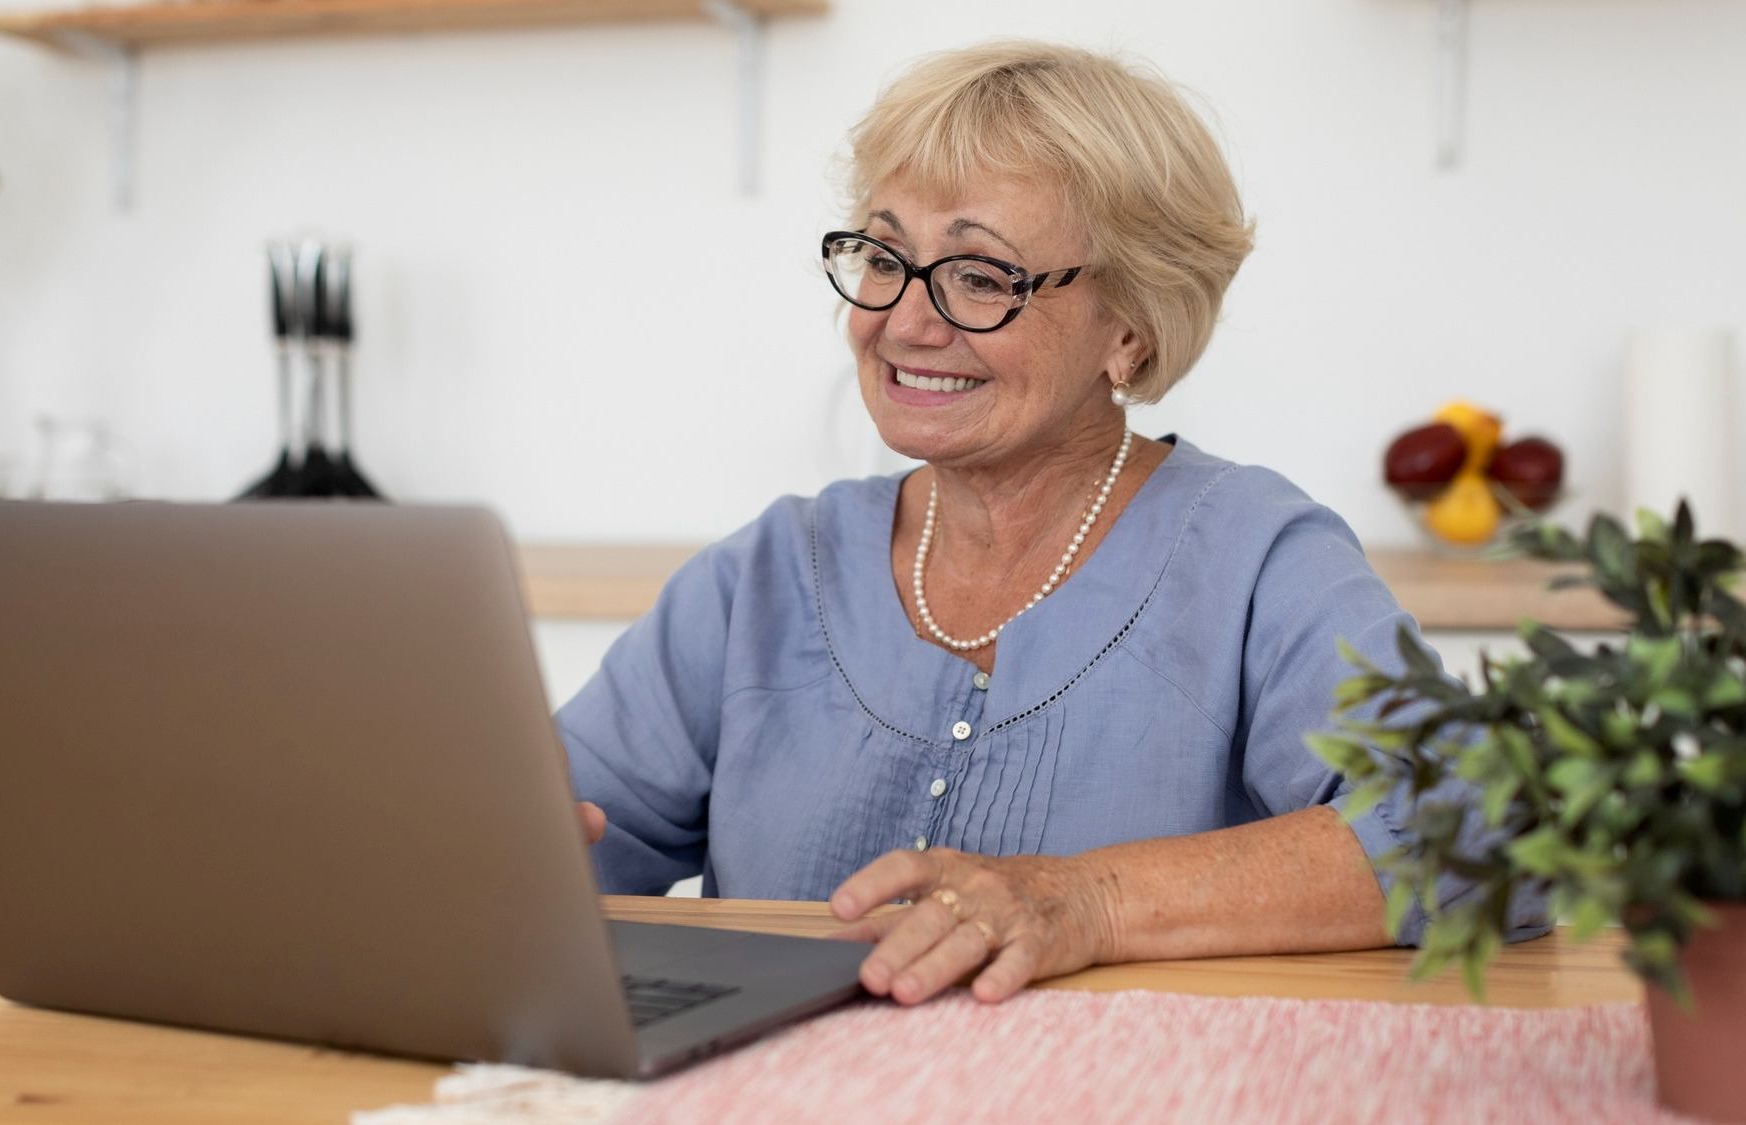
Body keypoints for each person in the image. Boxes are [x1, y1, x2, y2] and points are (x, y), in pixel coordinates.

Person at [558, 40, 1545, 1008]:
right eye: (882, 255)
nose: (904, 322)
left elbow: (1474, 836)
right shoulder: (765, 575)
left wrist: (1083, 902)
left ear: (1129, 329)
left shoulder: (1256, 556)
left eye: (981, 277)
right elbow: (565, 847)